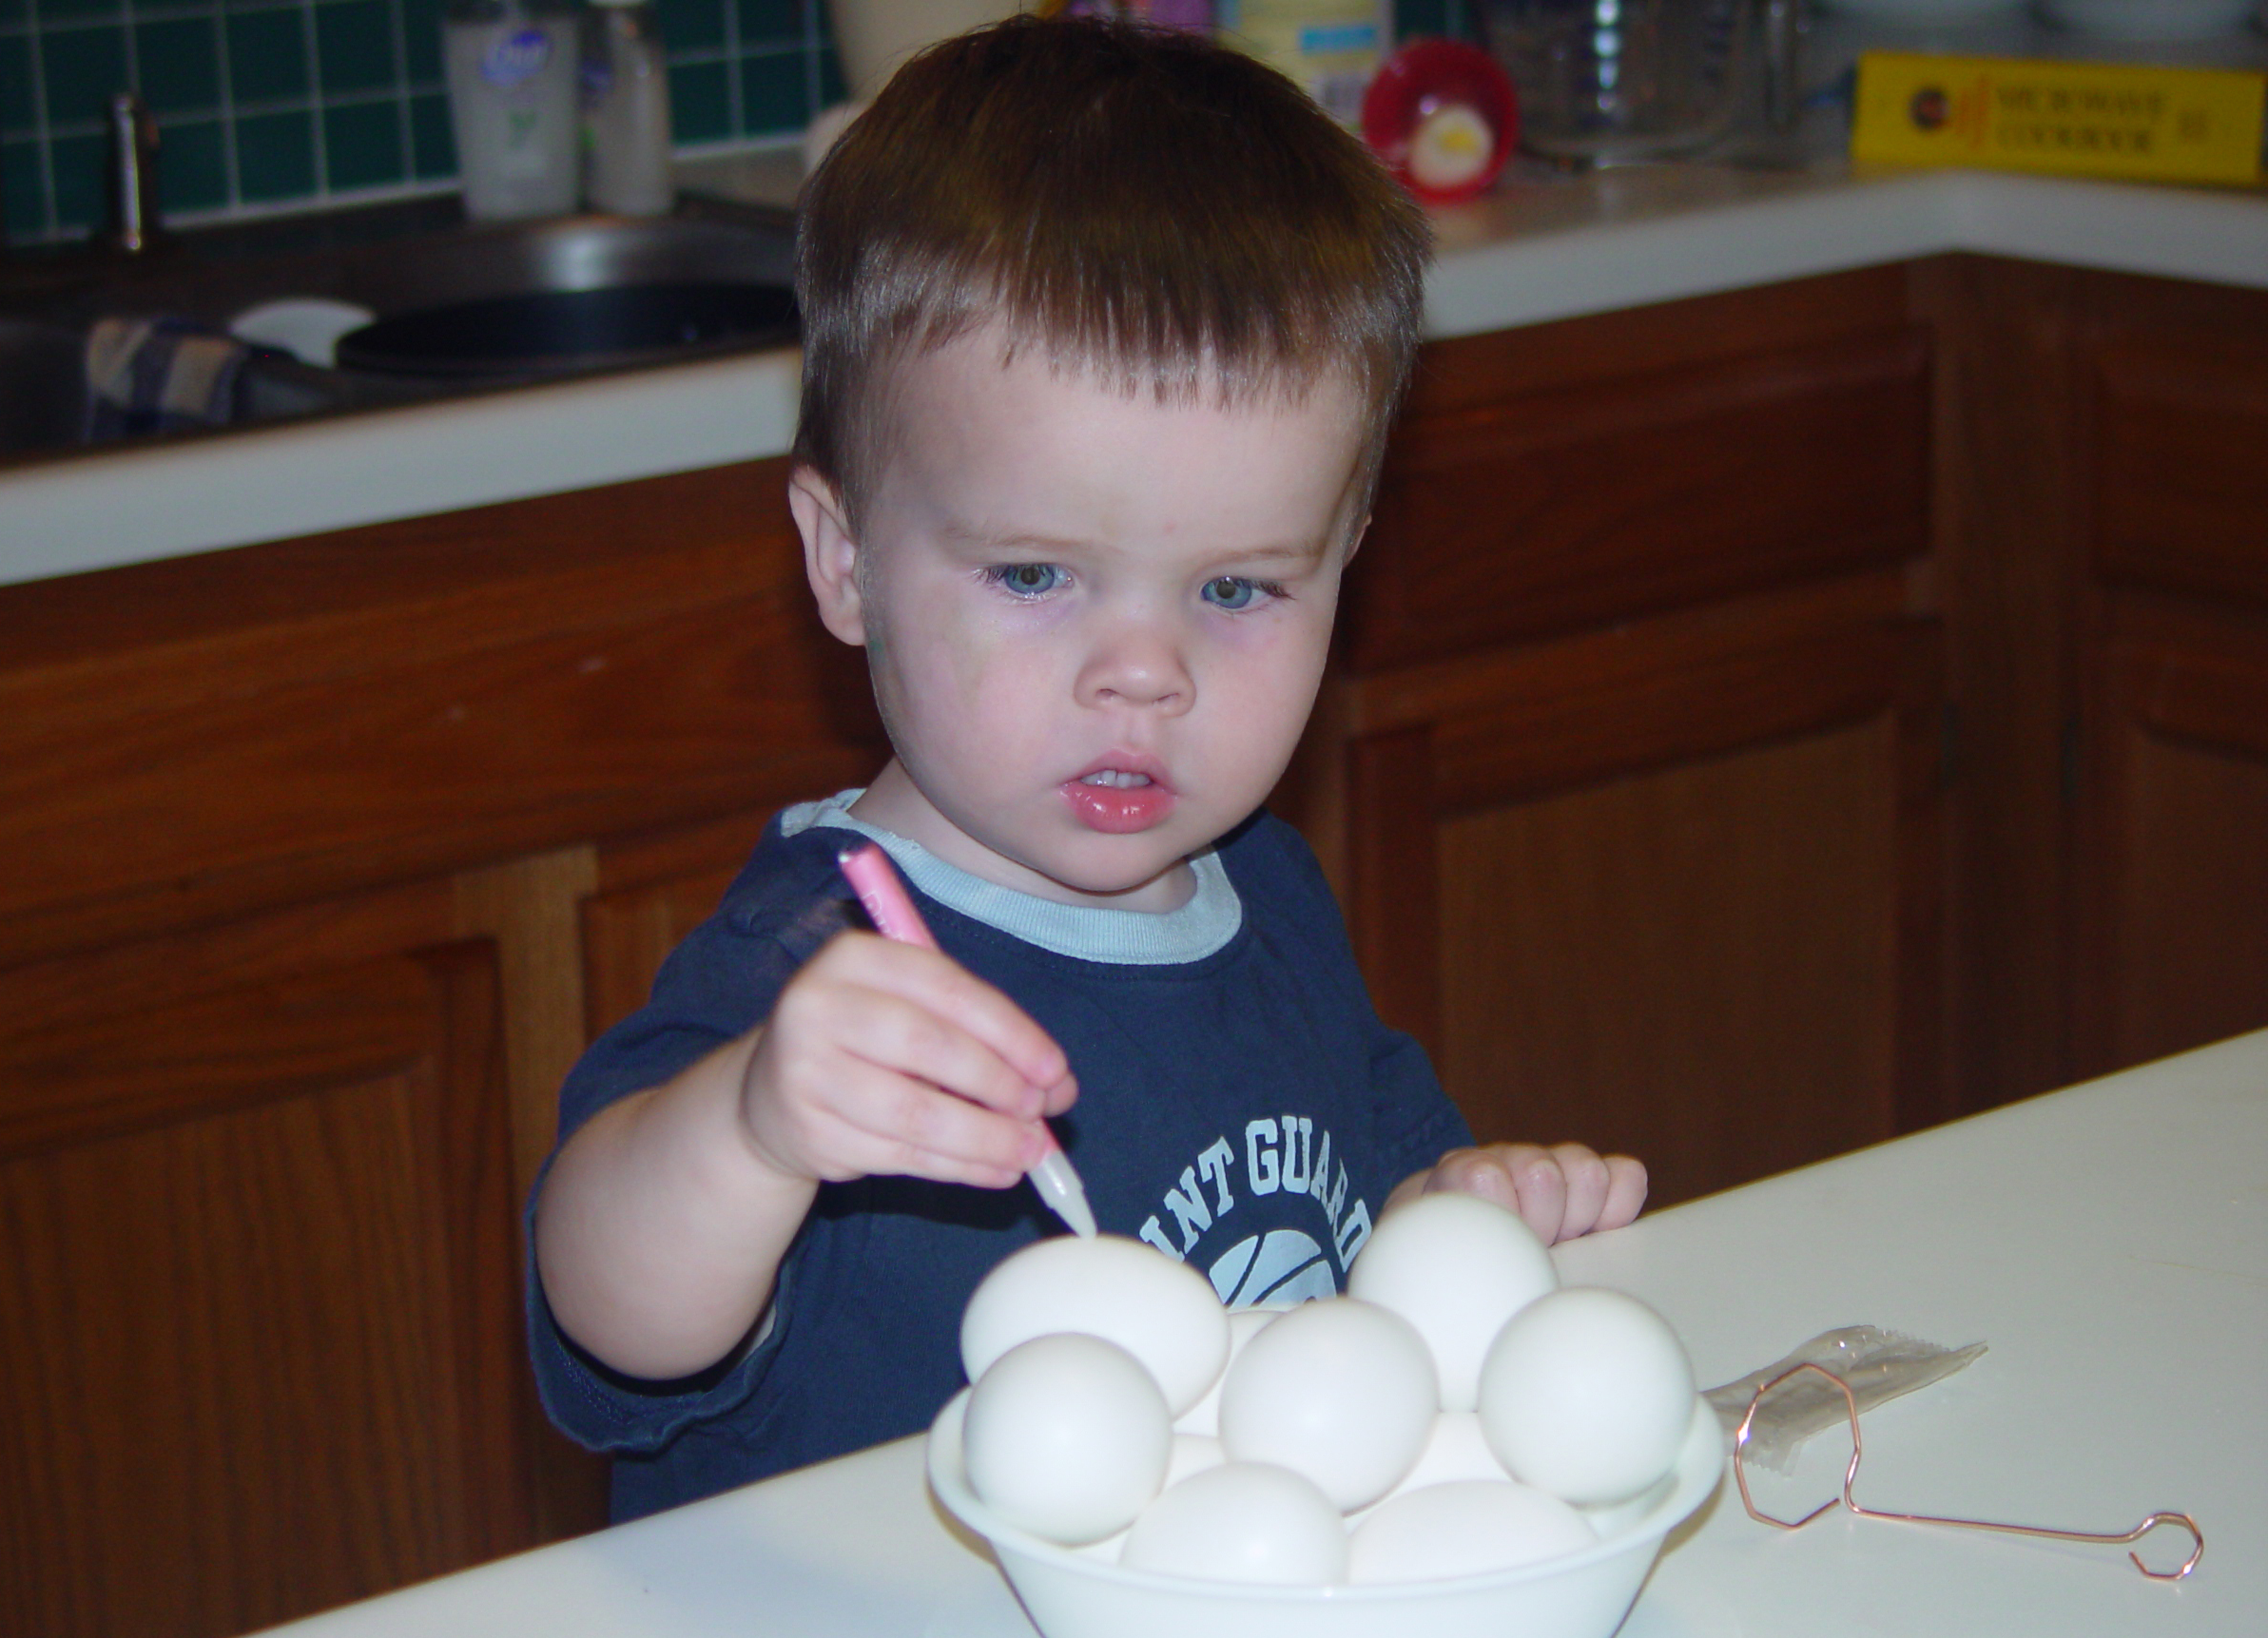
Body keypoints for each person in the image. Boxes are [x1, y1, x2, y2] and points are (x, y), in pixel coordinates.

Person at [530, 14, 1648, 1522]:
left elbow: (1365, 1175)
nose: (1146, 672)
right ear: (846, 559)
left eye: (1240, 590)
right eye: (1039, 576)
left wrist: (1451, 1218)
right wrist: (752, 1129)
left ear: (1345, 568)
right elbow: (611, 1312)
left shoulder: (1263, 889)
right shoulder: (824, 968)